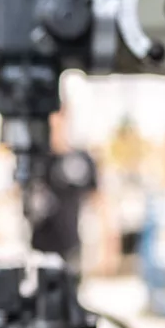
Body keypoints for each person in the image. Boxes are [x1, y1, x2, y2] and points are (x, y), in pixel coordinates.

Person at [29, 106, 115, 275]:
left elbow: (100, 202)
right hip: (38, 250)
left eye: (59, 120)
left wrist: (109, 246)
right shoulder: (35, 159)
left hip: (71, 247)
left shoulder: (81, 160)